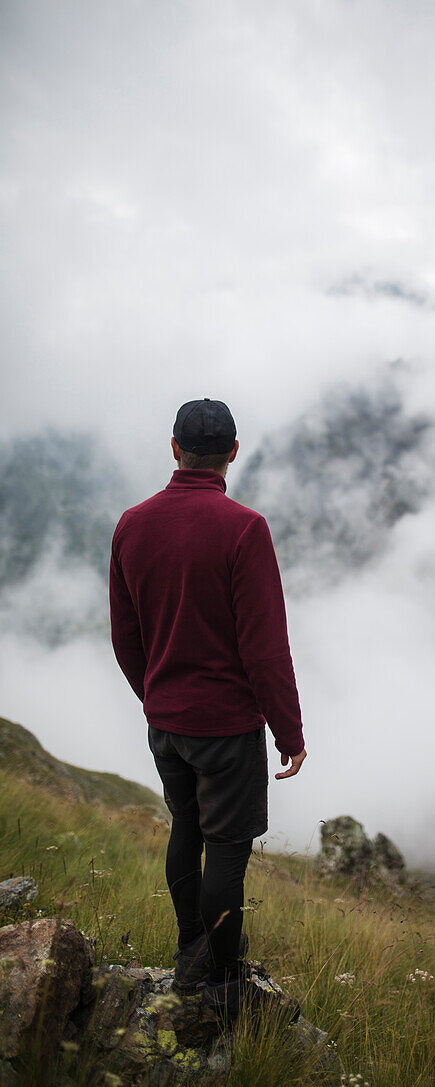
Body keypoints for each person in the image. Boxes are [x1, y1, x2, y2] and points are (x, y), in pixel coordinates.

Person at [109, 397, 307, 1017]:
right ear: (233, 453)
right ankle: (223, 984)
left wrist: (157, 697)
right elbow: (265, 646)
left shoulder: (131, 524)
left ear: (173, 448)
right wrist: (289, 732)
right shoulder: (244, 528)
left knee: (186, 828)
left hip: (165, 724)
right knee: (226, 847)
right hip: (226, 728)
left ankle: (190, 948)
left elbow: (125, 635)